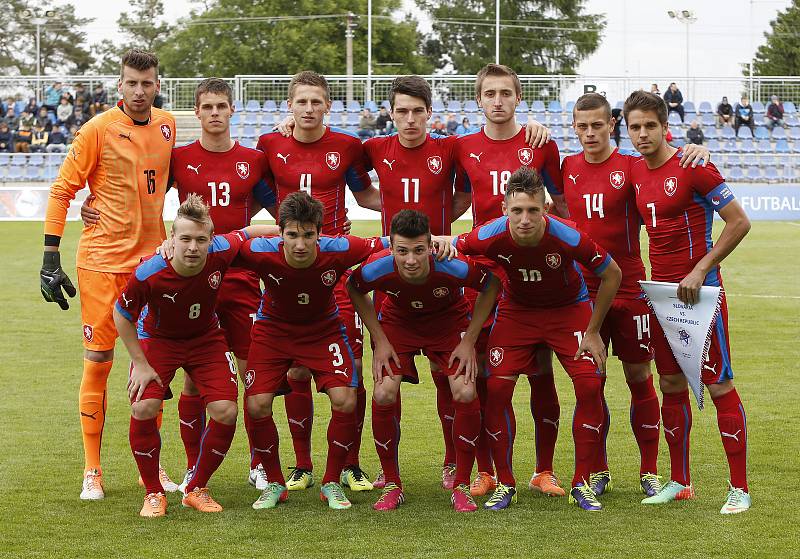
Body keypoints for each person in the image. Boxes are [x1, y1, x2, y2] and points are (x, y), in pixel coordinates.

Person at [81, 77, 279, 493]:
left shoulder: (254, 159)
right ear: (197, 112)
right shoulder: (180, 157)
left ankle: (258, 464)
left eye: (221, 107)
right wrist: (94, 200)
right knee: (193, 378)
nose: (214, 114)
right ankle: (193, 467)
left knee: (250, 374)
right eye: (207, 107)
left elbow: (275, 209)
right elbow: (144, 191)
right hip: (187, 276)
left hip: (237, 275)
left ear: (232, 110)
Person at [39, 49, 175, 500]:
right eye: (131, 82)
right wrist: (49, 256)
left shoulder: (168, 125)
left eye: (147, 82)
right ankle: (92, 471)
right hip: (100, 265)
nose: (139, 91)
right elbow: (63, 191)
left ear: (157, 84)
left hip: (151, 268)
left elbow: (182, 166)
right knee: (99, 361)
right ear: (119, 85)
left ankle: (149, 473)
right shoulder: (96, 130)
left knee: (152, 366)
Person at [562, 92, 710, 502]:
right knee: (590, 383)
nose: (590, 133)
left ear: (612, 126)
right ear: (573, 127)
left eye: (597, 125)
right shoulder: (567, 167)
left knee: (639, 377)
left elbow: (671, 167)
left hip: (630, 288)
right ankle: (597, 471)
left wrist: (696, 148)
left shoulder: (631, 167)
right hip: (584, 292)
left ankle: (649, 471)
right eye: (582, 125)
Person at [453, 166, 622, 511]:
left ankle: (581, 482)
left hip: (568, 310)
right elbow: (450, 248)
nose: (525, 219)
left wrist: (592, 331)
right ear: (504, 210)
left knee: (590, 387)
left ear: (545, 208)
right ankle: (505, 482)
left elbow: (612, 273)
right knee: (497, 390)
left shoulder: (568, 235)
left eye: (533, 210)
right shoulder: (486, 235)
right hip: (518, 312)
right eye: (517, 211)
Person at [234, 192, 415, 510]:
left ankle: (331, 482)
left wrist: (440, 242)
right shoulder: (259, 251)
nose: (300, 244)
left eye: (308, 235)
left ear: (321, 233)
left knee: (345, 397)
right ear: (280, 234)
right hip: (273, 331)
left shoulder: (340, 248)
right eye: (292, 235)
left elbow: (389, 242)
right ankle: (275, 483)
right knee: (257, 403)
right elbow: (214, 245)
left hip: (323, 330)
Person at [624, 90, 752, 514]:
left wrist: (701, 268)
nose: (642, 134)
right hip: (660, 297)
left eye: (649, 126)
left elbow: (739, 222)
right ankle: (679, 482)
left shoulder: (695, 166)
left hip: (702, 296)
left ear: (665, 126)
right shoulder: (635, 174)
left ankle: (739, 488)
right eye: (634, 127)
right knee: (672, 385)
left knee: (718, 384)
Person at [113, 194, 279, 517]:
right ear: (171, 239)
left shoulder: (221, 251)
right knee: (144, 405)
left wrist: (288, 232)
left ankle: (196, 488)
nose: (192, 247)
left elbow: (249, 232)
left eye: (200, 239)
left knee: (226, 411)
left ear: (211, 240)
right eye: (185, 238)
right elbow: (121, 313)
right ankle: (153, 493)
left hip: (206, 338)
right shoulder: (150, 271)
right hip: (158, 339)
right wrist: (141, 364)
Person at [259, 71, 382, 494]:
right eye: (301, 102)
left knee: (353, 367)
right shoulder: (270, 144)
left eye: (316, 102)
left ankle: (350, 462)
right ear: (289, 107)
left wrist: (411, 209)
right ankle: (302, 464)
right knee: (294, 367)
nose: (309, 109)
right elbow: (254, 194)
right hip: (289, 270)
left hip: (336, 270)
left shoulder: (347, 147)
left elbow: (367, 195)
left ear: (328, 105)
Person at [454, 63, 566, 501]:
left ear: (519, 98)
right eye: (489, 94)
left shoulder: (541, 144)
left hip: (532, 278)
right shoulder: (461, 148)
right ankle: (487, 470)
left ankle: (544, 469)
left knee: (540, 374)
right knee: (485, 378)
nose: (497, 101)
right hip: (482, 276)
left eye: (506, 93)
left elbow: (562, 203)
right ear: (478, 100)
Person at [347, 209, 501, 512]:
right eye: (402, 251)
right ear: (390, 248)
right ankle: (392, 483)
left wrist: (469, 340)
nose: (411, 260)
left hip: (447, 321)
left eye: (419, 250)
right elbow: (353, 286)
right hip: (398, 322)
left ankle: (461, 485)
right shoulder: (377, 267)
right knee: (383, 391)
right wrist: (379, 339)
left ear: (431, 246)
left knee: (466, 391)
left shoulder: (451, 265)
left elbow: (491, 284)